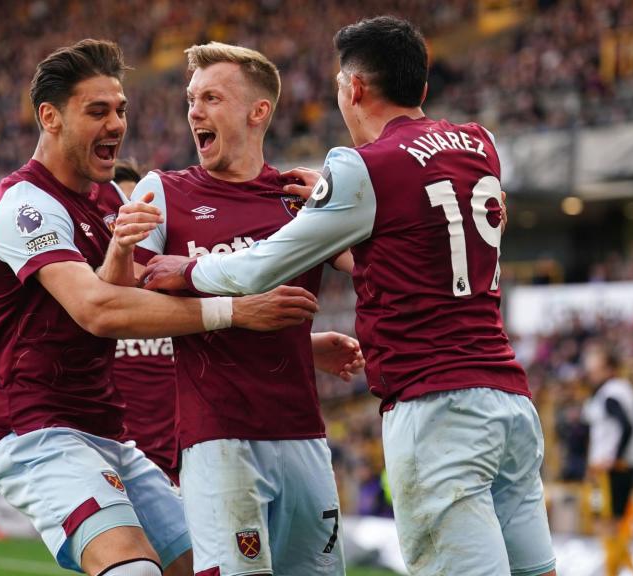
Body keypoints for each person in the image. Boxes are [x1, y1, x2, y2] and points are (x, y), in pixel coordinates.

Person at [143, 17, 555, 576]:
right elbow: (420, 239)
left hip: (437, 407)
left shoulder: (360, 167)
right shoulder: (478, 144)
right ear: (422, 90)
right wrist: (344, 206)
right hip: (508, 398)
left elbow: (262, 265)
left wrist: (186, 270)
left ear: (354, 89)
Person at [0, 39, 319, 576]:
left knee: (206, 569)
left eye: (121, 109)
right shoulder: (25, 204)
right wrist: (236, 311)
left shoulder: (109, 204)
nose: (116, 124)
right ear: (50, 117)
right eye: (98, 111)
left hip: (107, 432)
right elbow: (100, 312)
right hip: (36, 430)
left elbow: (131, 303)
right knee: (132, 570)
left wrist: (302, 343)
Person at [107, 42, 363, 576]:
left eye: (211, 98)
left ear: (258, 111)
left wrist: (344, 212)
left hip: (302, 434)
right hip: (216, 436)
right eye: (191, 99)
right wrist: (122, 254)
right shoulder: (163, 192)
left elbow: (372, 269)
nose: (194, 111)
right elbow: (120, 301)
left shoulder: (299, 198)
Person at [111, 159, 180, 484]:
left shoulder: (179, 282)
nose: (129, 219)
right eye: (119, 211)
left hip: (186, 468)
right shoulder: (84, 297)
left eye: (138, 207)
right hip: (114, 468)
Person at [582, 344, 633, 576]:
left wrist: (614, 457)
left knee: (607, 523)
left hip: (612, 468)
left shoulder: (610, 393)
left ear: (608, 367)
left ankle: (615, 571)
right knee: (614, 523)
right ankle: (627, 569)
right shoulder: (622, 389)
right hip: (622, 465)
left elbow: (626, 426)